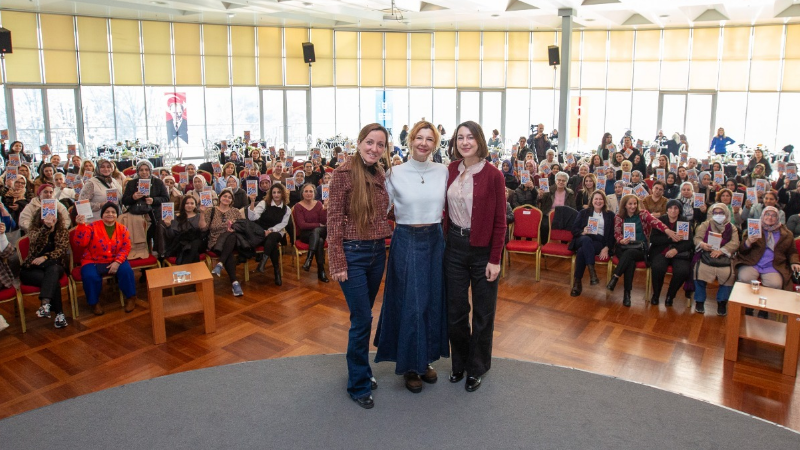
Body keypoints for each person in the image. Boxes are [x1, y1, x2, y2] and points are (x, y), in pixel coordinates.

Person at [374, 120, 449, 394]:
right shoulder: (394, 173)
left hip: (435, 241)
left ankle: (425, 359)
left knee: (431, 301)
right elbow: (380, 209)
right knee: (412, 303)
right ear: (410, 140)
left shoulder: (443, 171)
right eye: (419, 137)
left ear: (435, 144)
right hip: (406, 240)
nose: (423, 143)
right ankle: (409, 364)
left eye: (430, 139)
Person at [328, 123, 393, 409]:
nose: (374, 149)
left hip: (377, 252)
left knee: (364, 316)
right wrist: (337, 261)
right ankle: (357, 384)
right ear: (358, 142)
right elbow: (332, 220)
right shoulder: (342, 174)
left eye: (380, 145)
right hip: (352, 255)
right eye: (369, 142)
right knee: (362, 319)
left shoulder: (380, 173)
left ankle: (362, 373)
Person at [444, 120, 506, 393]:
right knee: (456, 312)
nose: (465, 142)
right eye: (460, 138)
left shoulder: (494, 175)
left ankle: (477, 367)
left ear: (480, 140)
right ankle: (460, 362)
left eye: (470, 137)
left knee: (483, 313)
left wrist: (495, 259)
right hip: (454, 247)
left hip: (483, 252)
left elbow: (500, 222)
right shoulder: (449, 170)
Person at [608, 194, 676, 307]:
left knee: (629, 255)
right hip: (624, 246)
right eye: (630, 204)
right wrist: (621, 240)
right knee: (629, 261)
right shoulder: (619, 217)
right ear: (624, 205)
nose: (633, 206)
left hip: (640, 247)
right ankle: (626, 294)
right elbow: (617, 233)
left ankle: (616, 278)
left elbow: (655, 222)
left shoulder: (643, 214)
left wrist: (667, 230)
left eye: (635, 203)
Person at [74, 202, 137, 315]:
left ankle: (131, 298)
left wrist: (117, 262)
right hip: (93, 260)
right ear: (102, 214)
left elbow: (126, 247)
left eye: (113, 212)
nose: (110, 214)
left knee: (127, 271)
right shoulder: (91, 227)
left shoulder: (122, 229)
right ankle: (94, 303)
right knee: (90, 276)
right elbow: (81, 243)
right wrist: (81, 226)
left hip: (115, 259)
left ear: (117, 215)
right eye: (107, 212)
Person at [21, 190, 70, 328]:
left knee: (53, 271)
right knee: (53, 280)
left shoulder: (61, 230)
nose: (49, 217)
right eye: (46, 214)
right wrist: (46, 228)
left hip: (52, 265)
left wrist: (45, 257)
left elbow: (60, 250)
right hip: (32, 268)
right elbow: (35, 245)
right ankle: (59, 314)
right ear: (40, 217)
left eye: (52, 214)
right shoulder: (35, 229)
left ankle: (45, 304)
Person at [735, 206, 800, 300]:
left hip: (773, 265)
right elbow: (742, 250)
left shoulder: (786, 234)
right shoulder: (754, 228)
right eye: (767, 214)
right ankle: (747, 305)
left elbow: (792, 251)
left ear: (778, 218)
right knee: (744, 278)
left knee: (775, 284)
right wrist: (748, 242)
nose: (770, 218)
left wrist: (795, 262)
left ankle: (764, 309)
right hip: (752, 262)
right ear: (762, 215)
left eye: (773, 215)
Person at [692, 203, 740, 315]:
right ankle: (699, 301)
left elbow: (735, 243)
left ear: (726, 214)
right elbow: (697, 238)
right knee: (698, 271)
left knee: (729, 274)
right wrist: (702, 244)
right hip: (707, 254)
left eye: (721, 213)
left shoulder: (732, 228)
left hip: (723, 256)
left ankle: (722, 302)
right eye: (716, 213)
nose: (718, 215)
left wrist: (721, 250)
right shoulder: (705, 224)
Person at [649, 199, 693, 306]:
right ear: (666, 209)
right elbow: (653, 239)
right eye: (670, 208)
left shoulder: (684, 222)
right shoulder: (660, 221)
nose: (673, 210)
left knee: (682, 271)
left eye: (676, 208)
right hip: (661, 251)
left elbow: (689, 243)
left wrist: (676, 250)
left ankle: (670, 296)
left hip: (679, 253)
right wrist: (670, 238)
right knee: (657, 267)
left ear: (679, 210)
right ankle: (656, 294)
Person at [570, 190, 615, 295]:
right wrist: (583, 231)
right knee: (586, 240)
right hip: (583, 238)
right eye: (596, 199)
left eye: (600, 199)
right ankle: (592, 272)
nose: (598, 201)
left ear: (604, 201)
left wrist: (607, 247)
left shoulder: (610, 215)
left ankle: (577, 282)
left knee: (581, 251)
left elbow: (613, 234)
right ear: (592, 201)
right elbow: (574, 230)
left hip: (599, 241)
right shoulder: (583, 212)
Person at [246, 183, 290, 285]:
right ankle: (276, 272)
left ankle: (263, 262)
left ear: (282, 193)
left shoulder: (286, 208)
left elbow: (283, 223)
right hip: (262, 232)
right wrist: (252, 202)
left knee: (272, 237)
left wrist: (271, 230)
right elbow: (253, 218)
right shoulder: (264, 203)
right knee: (273, 244)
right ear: (271, 194)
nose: (276, 195)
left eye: (278, 192)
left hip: (277, 231)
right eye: (274, 192)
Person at [206, 189, 246, 296]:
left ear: (232, 200)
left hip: (231, 240)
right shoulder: (211, 211)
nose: (226, 199)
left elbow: (242, 227)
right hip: (215, 240)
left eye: (229, 197)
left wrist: (234, 228)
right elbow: (205, 228)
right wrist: (201, 213)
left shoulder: (235, 211)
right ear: (220, 197)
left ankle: (220, 263)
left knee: (231, 235)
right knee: (229, 255)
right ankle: (235, 282)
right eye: (224, 196)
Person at [294, 183, 329, 282]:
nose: (308, 193)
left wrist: (325, 208)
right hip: (305, 234)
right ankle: (321, 271)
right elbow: (302, 225)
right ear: (302, 193)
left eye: (311, 191)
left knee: (317, 232)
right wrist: (318, 225)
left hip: (319, 231)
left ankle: (309, 259)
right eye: (306, 191)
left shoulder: (318, 204)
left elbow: (323, 221)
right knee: (320, 241)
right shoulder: (298, 206)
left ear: (314, 193)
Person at [163, 195, 208, 265]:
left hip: (198, 243)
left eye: (192, 203)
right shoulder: (176, 217)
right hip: (181, 244)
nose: (189, 205)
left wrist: (202, 213)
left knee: (195, 242)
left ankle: (183, 270)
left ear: (196, 205)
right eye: (187, 203)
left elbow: (203, 229)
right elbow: (171, 236)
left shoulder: (199, 215)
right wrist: (168, 226)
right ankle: (193, 273)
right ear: (183, 205)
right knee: (193, 252)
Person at [78, 159, 124, 224]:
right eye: (102, 167)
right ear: (98, 168)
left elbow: (120, 198)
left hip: (114, 220)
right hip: (97, 222)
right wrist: (99, 205)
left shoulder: (113, 181)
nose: (106, 169)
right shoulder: (91, 183)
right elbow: (82, 204)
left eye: (108, 167)